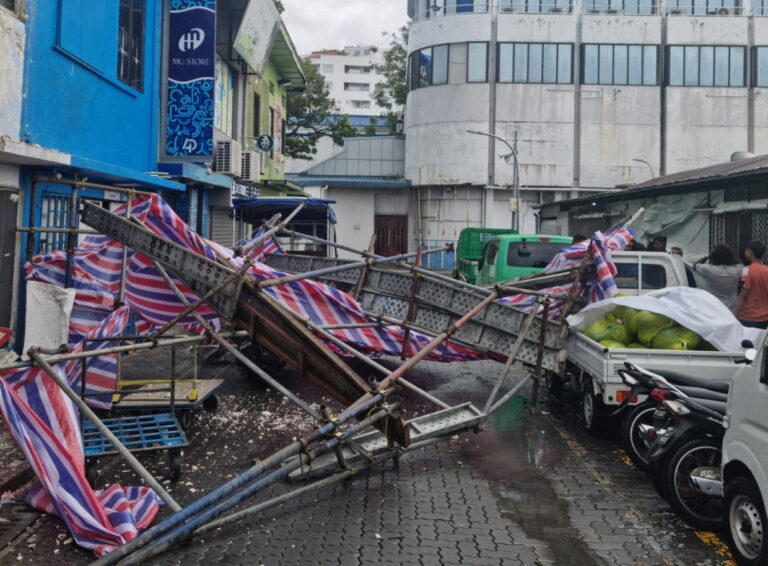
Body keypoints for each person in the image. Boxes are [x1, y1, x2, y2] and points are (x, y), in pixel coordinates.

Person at [693, 244, 743, 312]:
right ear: (731, 256)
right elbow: (742, 264)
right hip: (731, 309)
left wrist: (707, 256)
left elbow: (695, 265)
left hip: (713, 307)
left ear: (713, 256)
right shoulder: (738, 269)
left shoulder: (708, 269)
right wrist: (732, 255)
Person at [735, 241, 768, 328]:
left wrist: (735, 316)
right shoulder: (767, 270)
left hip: (748, 317)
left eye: (746, 250)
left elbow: (743, 295)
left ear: (750, 253)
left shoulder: (747, 270)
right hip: (764, 318)